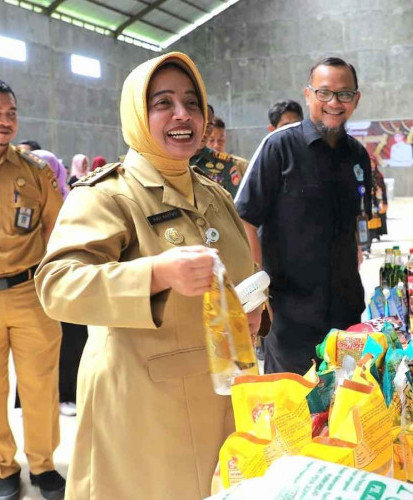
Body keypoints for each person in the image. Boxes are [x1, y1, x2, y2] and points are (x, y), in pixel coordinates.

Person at [35, 52, 261, 500]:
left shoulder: (214, 195)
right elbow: (57, 285)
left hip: (222, 398)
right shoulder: (109, 195)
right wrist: (155, 273)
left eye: (192, 103)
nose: (183, 115)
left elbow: (242, 274)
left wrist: (255, 312)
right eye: (163, 103)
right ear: (138, 114)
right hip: (144, 408)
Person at [235, 56, 372, 375]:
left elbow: (354, 218)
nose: (334, 103)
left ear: (356, 99)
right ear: (308, 94)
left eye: (344, 94)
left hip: (346, 310)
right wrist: (257, 296)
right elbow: (245, 219)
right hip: (291, 314)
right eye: (324, 93)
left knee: (346, 399)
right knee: (293, 411)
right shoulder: (278, 147)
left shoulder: (358, 156)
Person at [0, 80, 65, 500]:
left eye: (11, 113)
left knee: (40, 385)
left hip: (28, 291)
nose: (5, 121)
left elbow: (58, 229)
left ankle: (42, 465)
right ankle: (3, 465)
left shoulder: (35, 171)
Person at [191, 108, 250, 200]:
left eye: (221, 140)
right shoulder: (171, 160)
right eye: (212, 140)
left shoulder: (229, 164)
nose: (216, 145)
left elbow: (235, 202)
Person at [369, 152, 388, 242]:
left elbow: (382, 188)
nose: (371, 165)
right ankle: (371, 234)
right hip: (369, 198)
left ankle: (377, 233)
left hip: (378, 198)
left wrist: (382, 199)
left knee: (378, 215)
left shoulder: (379, 175)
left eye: (372, 162)